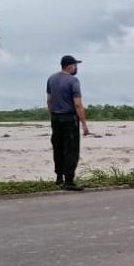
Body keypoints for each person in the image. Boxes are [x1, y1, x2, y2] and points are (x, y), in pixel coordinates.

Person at [46, 54, 90, 190]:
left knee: (58, 148)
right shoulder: (73, 81)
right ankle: (69, 181)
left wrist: (53, 116)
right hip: (69, 118)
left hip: (55, 118)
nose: (76, 68)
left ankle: (59, 178)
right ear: (70, 66)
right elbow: (78, 104)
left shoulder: (51, 79)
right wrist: (84, 124)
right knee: (71, 149)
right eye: (75, 65)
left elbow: (49, 100)